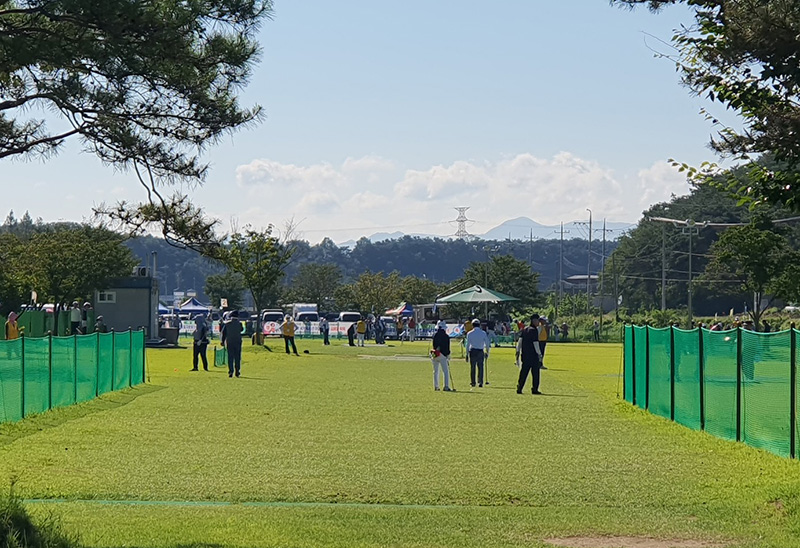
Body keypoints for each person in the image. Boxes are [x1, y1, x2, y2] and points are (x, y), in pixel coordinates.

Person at [517, 315, 543, 394]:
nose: (538, 322)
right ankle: (534, 389)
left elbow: (520, 341)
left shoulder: (524, 329)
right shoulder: (534, 330)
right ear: (534, 321)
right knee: (535, 373)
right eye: (537, 321)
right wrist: (539, 354)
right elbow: (535, 343)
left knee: (523, 372)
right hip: (533, 355)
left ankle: (519, 387)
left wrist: (518, 350)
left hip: (525, 355)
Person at [465, 318, 490, 388]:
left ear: (472, 325)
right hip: (480, 351)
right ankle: (480, 382)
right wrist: (487, 352)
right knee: (480, 367)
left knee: (472, 367)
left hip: (472, 351)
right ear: (479, 325)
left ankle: (473, 382)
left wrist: (466, 354)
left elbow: (467, 345)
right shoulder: (483, 333)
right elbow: (487, 344)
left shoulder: (469, 333)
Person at [431, 320, 453, 391]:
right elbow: (447, 347)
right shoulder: (446, 336)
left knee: (435, 371)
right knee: (445, 371)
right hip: (443, 355)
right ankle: (446, 386)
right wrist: (448, 355)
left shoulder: (434, 335)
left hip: (435, 354)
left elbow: (434, 345)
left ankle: (436, 386)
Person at [221, 310, 243, 377]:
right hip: (238, 342)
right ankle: (237, 371)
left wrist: (222, 341)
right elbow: (241, 330)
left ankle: (231, 371)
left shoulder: (227, 324)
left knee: (230, 357)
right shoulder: (239, 323)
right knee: (237, 357)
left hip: (230, 341)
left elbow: (224, 333)